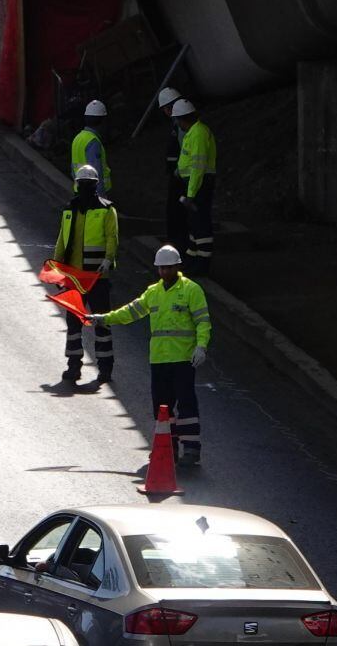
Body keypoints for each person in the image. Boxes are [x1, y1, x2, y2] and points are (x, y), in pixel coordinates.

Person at [96, 245, 210, 465]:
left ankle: (192, 450)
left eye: (168, 268)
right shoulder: (153, 292)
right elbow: (131, 311)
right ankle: (168, 449)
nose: (164, 272)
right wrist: (104, 318)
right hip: (159, 360)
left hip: (183, 358)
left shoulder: (191, 290)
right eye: (161, 268)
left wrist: (201, 346)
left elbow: (203, 321)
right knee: (161, 407)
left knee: (187, 405)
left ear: (177, 266)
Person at [52, 164, 117, 384]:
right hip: (75, 277)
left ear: (95, 186)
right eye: (82, 185)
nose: (85, 188)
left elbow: (112, 238)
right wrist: (57, 269)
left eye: (88, 185)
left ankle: (105, 368)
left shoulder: (107, 210)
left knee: (101, 322)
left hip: (97, 277)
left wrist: (108, 259)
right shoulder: (69, 210)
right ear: (77, 185)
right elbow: (62, 240)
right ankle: (73, 366)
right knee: (73, 324)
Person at [172, 99, 217, 277]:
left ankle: (202, 264)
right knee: (194, 223)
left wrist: (191, 194)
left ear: (182, 119)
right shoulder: (194, 132)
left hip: (198, 184)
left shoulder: (197, 133)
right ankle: (193, 260)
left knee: (200, 223)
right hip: (194, 183)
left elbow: (197, 168)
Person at [157, 87, 188, 249]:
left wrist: (177, 172)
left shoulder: (181, 126)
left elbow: (186, 151)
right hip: (179, 175)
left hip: (181, 177)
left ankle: (178, 244)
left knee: (177, 213)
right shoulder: (178, 124)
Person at [70, 100, 111, 193]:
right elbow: (96, 173)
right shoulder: (93, 142)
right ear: (103, 121)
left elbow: (72, 169)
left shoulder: (78, 138)